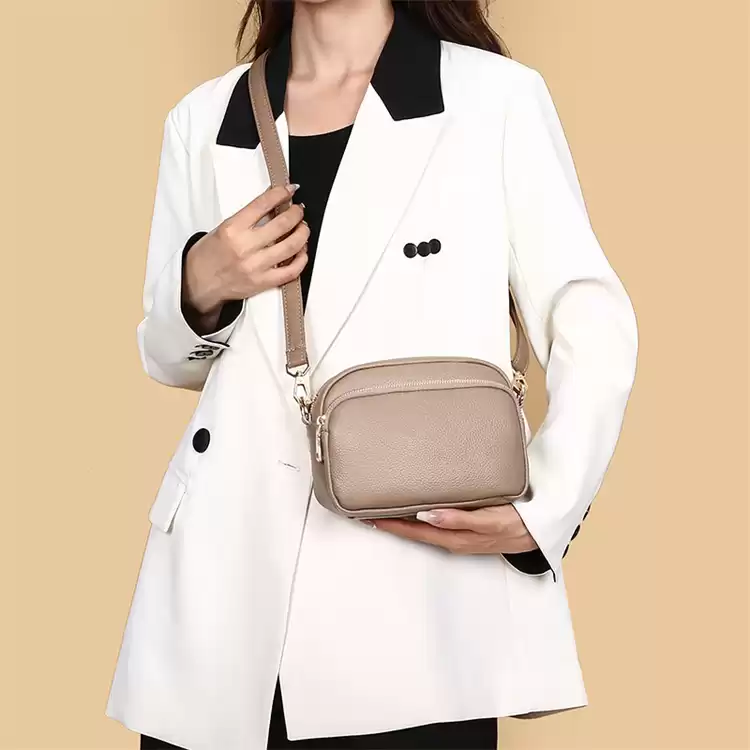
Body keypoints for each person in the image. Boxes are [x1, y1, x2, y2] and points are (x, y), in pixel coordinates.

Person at [105, 1, 639, 748]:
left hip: (413, 601)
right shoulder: (204, 119)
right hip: (220, 594)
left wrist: (545, 508)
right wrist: (200, 285)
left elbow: (591, 319)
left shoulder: (494, 98)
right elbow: (170, 360)